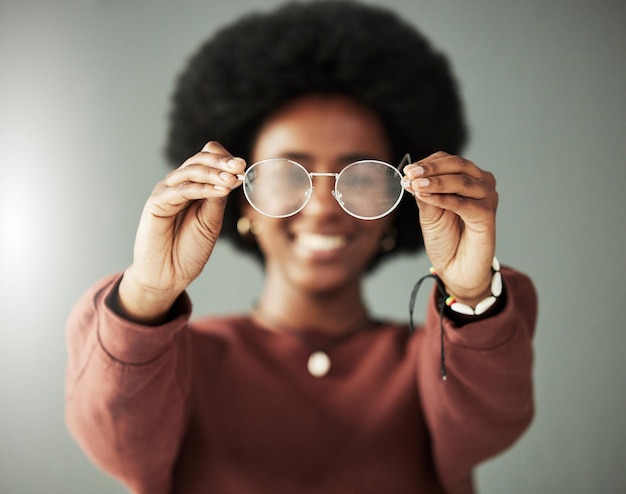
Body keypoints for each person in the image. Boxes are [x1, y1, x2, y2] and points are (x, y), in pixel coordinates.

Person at [65, 1, 537, 493]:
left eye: (360, 177)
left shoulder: (440, 360)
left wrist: (470, 294)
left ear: (399, 202)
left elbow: (492, 425)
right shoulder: (179, 363)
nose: (323, 206)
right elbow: (112, 439)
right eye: (287, 175)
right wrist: (147, 291)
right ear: (240, 201)